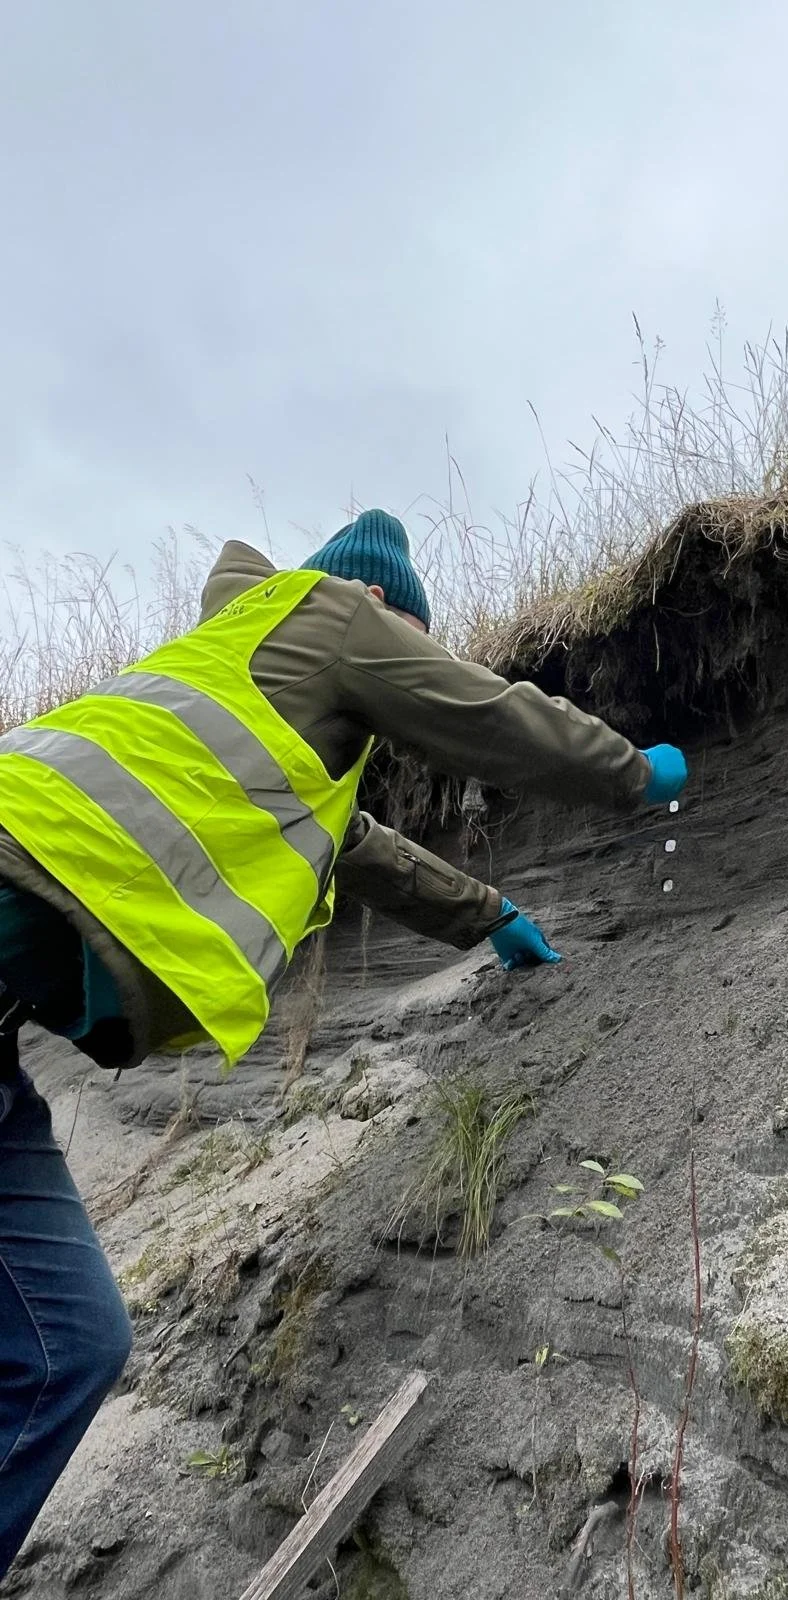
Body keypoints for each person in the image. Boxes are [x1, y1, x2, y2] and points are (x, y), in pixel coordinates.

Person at [0, 508, 687, 1577]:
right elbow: (489, 714)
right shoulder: (330, 611)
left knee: (70, 1346)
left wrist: (487, 912)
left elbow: (359, 848)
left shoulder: (263, 706)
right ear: (382, 609)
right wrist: (631, 772)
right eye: (407, 632)